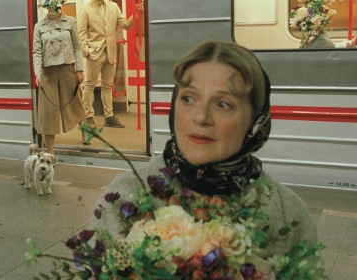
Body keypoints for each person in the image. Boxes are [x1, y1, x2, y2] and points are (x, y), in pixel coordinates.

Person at [89, 41, 320, 261]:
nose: (201, 117)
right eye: (188, 98)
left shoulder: (288, 215)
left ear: (256, 121)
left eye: (223, 104)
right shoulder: (124, 197)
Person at [77, 0, 141, 129]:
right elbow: (81, 34)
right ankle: (89, 117)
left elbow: (125, 25)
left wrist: (136, 14)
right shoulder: (85, 9)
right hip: (94, 53)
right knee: (90, 85)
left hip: (111, 52)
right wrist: (87, 52)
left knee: (107, 85)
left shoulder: (114, 6)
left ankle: (109, 116)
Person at [32, 0, 86, 155]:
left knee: (76, 104)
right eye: (48, 8)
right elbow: (37, 52)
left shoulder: (70, 22)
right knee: (48, 112)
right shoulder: (39, 26)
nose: (51, 11)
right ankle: (50, 152)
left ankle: (85, 132)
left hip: (67, 68)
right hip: (47, 73)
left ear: (59, 6)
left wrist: (80, 69)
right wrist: (38, 73)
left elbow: (77, 47)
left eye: (53, 7)